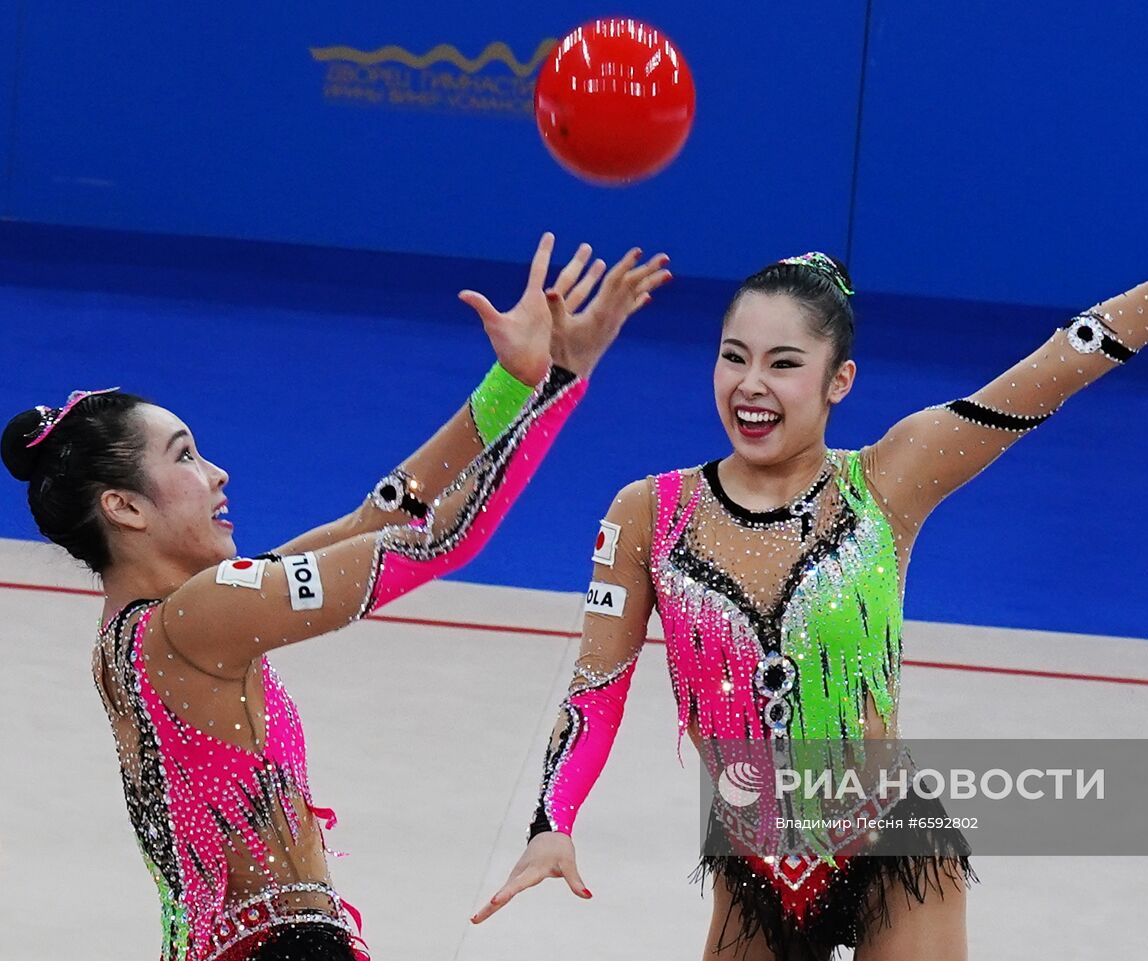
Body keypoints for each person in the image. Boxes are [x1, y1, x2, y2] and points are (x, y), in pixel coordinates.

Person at [472, 202, 1148, 960]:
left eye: (783, 362)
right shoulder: (647, 514)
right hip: (750, 860)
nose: (750, 384)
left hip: (891, 850)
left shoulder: (888, 480)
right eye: (734, 356)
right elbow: (597, 687)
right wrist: (553, 822)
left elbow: (1059, 366)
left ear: (838, 379)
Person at [1, 234, 670, 961]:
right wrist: (562, 377)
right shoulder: (198, 618)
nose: (218, 472)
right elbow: (437, 540)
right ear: (124, 508)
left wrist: (513, 382)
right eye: (186, 456)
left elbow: (376, 518)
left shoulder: (145, 632)